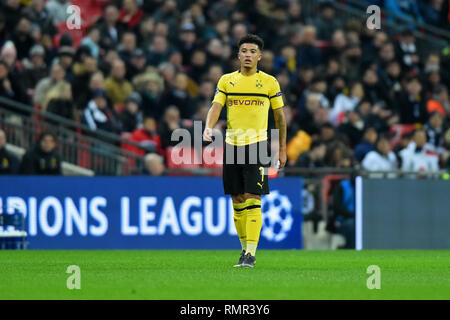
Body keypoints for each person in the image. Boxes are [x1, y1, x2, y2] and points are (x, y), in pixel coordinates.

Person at [203, 34, 287, 268]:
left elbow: (280, 117)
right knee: (237, 199)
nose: (248, 55)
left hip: (258, 144)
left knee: (253, 196)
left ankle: (250, 253)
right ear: (238, 55)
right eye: (244, 51)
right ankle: (244, 250)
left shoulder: (270, 82)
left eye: (252, 51)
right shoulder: (227, 81)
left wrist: (281, 149)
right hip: (232, 146)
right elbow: (216, 106)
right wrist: (208, 127)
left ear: (259, 57)